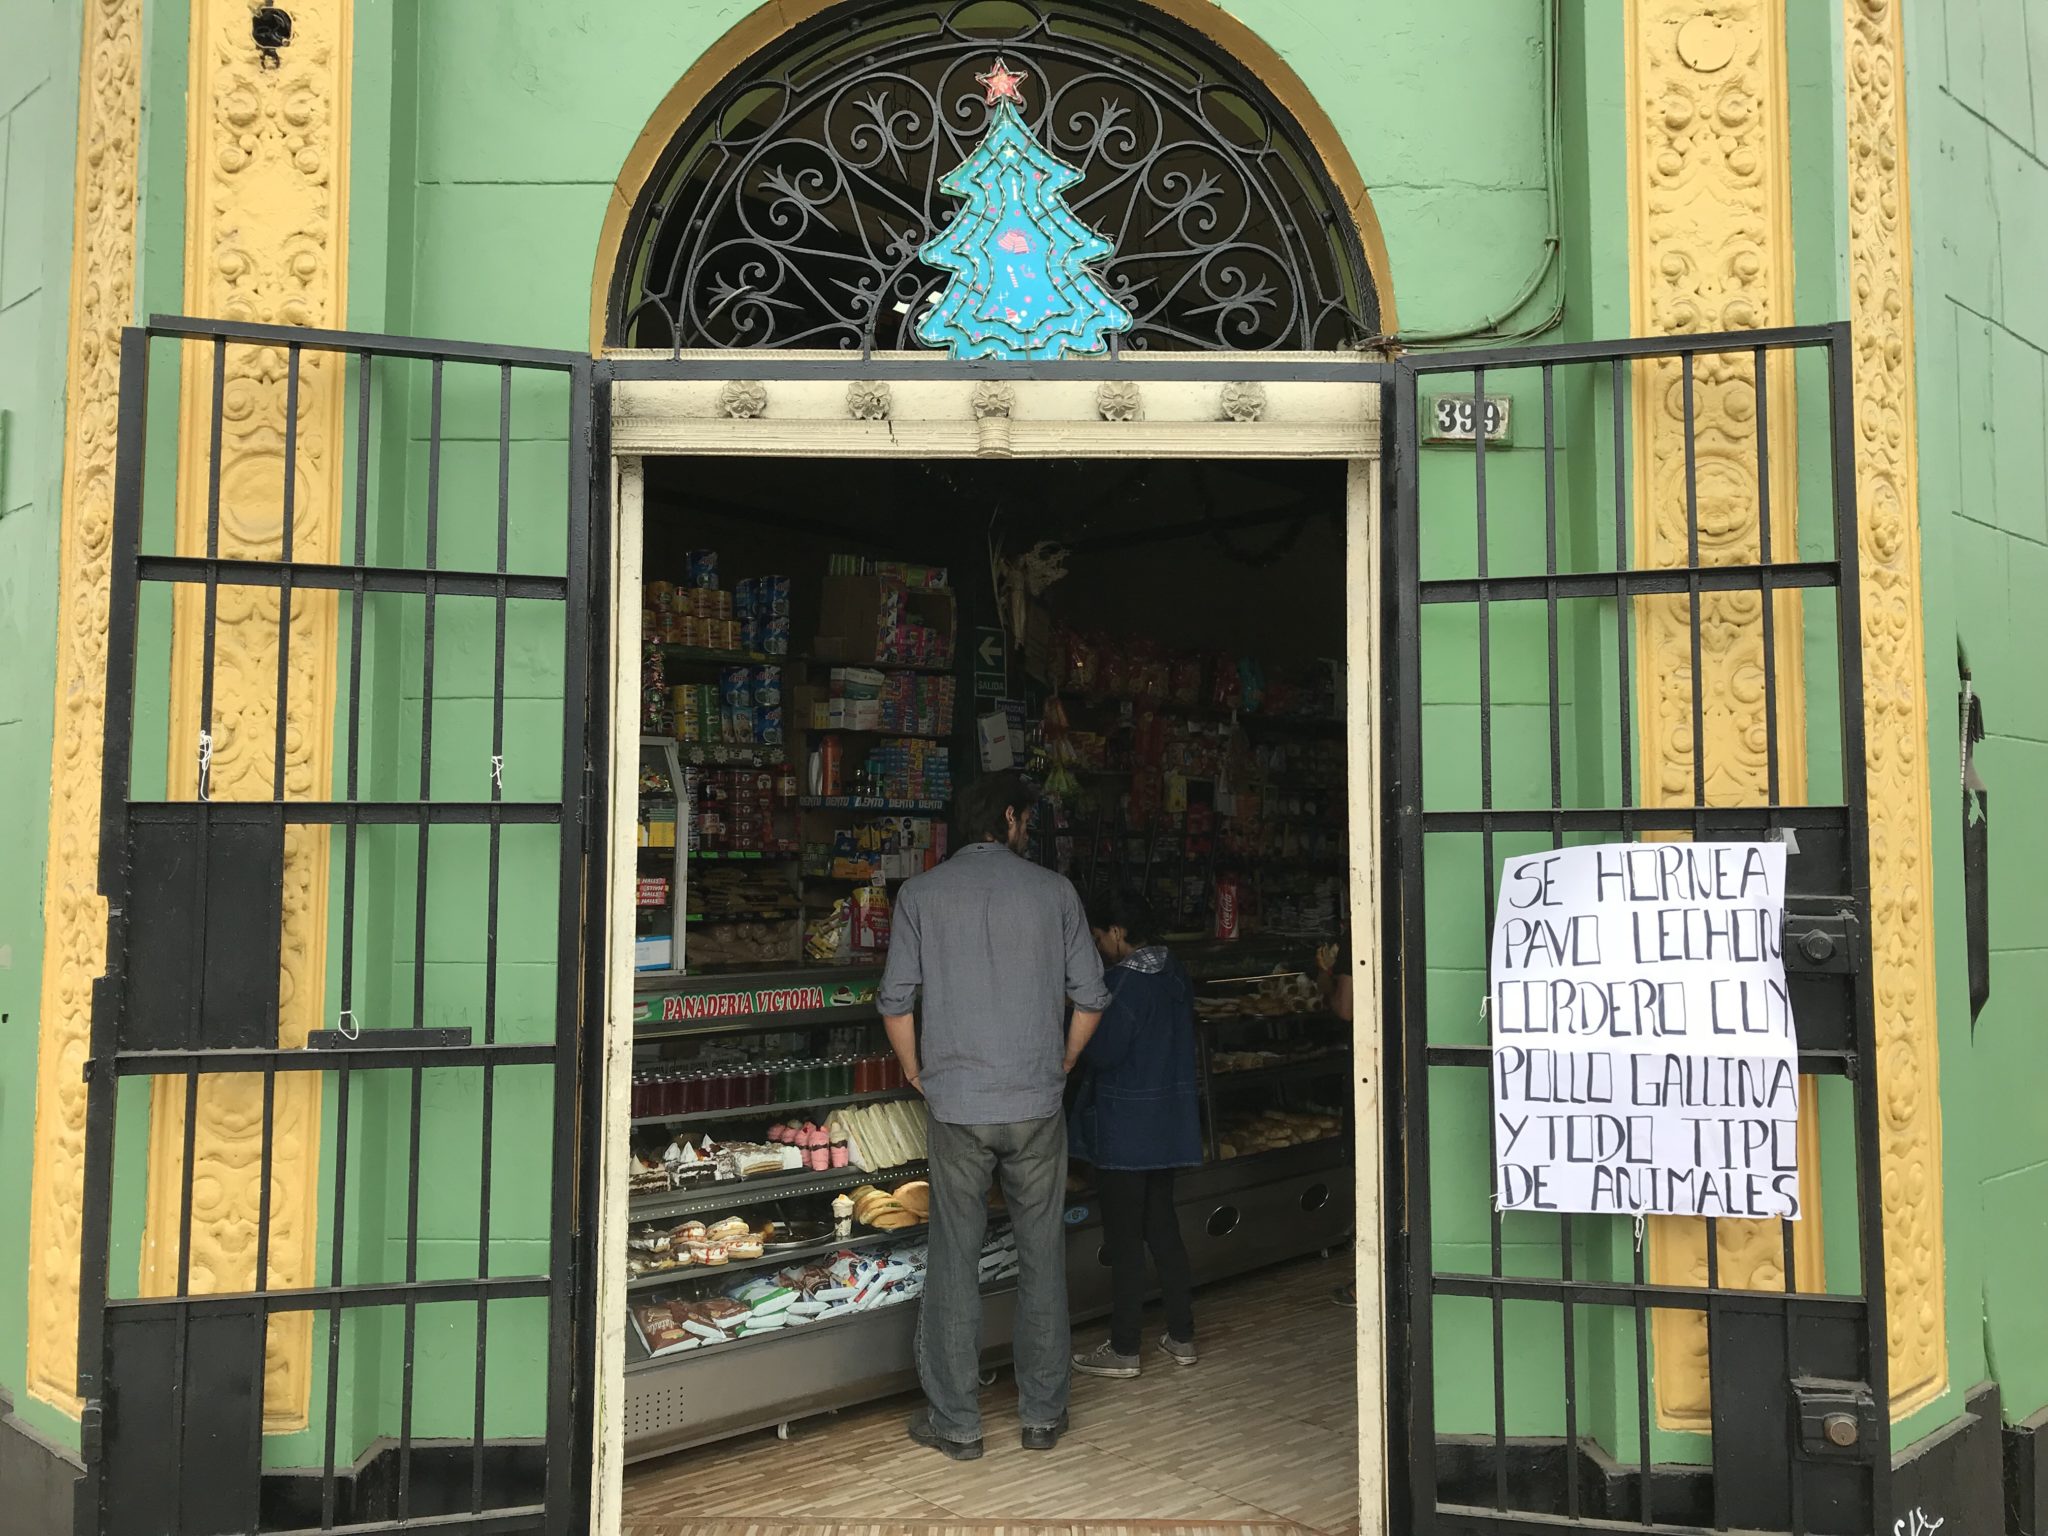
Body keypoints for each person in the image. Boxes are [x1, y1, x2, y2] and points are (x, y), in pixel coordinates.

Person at [878, 769, 1111, 1460]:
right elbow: (1092, 998)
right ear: (1007, 818)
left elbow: (894, 1003)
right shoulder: (1054, 892)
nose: (1026, 830)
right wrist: (1063, 1062)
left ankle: (957, 1422)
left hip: (958, 1106)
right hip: (1036, 1103)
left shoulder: (920, 895)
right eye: (1024, 820)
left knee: (955, 1259)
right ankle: (1042, 1415)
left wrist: (917, 1071)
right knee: (1043, 1256)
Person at [1068, 890, 1202, 1379]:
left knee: (1124, 1240)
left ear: (1118, 933)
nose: (1100, 946)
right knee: (1163, 1228)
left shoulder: (1125, 983)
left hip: (1127, 1125)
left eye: (1101, 936)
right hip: (1167, 1120)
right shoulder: (1173, 971)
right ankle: (1181, 1336)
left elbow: (1102, 1053)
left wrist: (1076, 1018)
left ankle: (1125, 1348)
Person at [1319, 929, 1358, 1309]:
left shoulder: (1355, 937)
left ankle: (1365, 1281)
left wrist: (1326, 979)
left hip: (1368, 1066)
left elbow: (1346, 1008)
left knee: (1368, 1172)